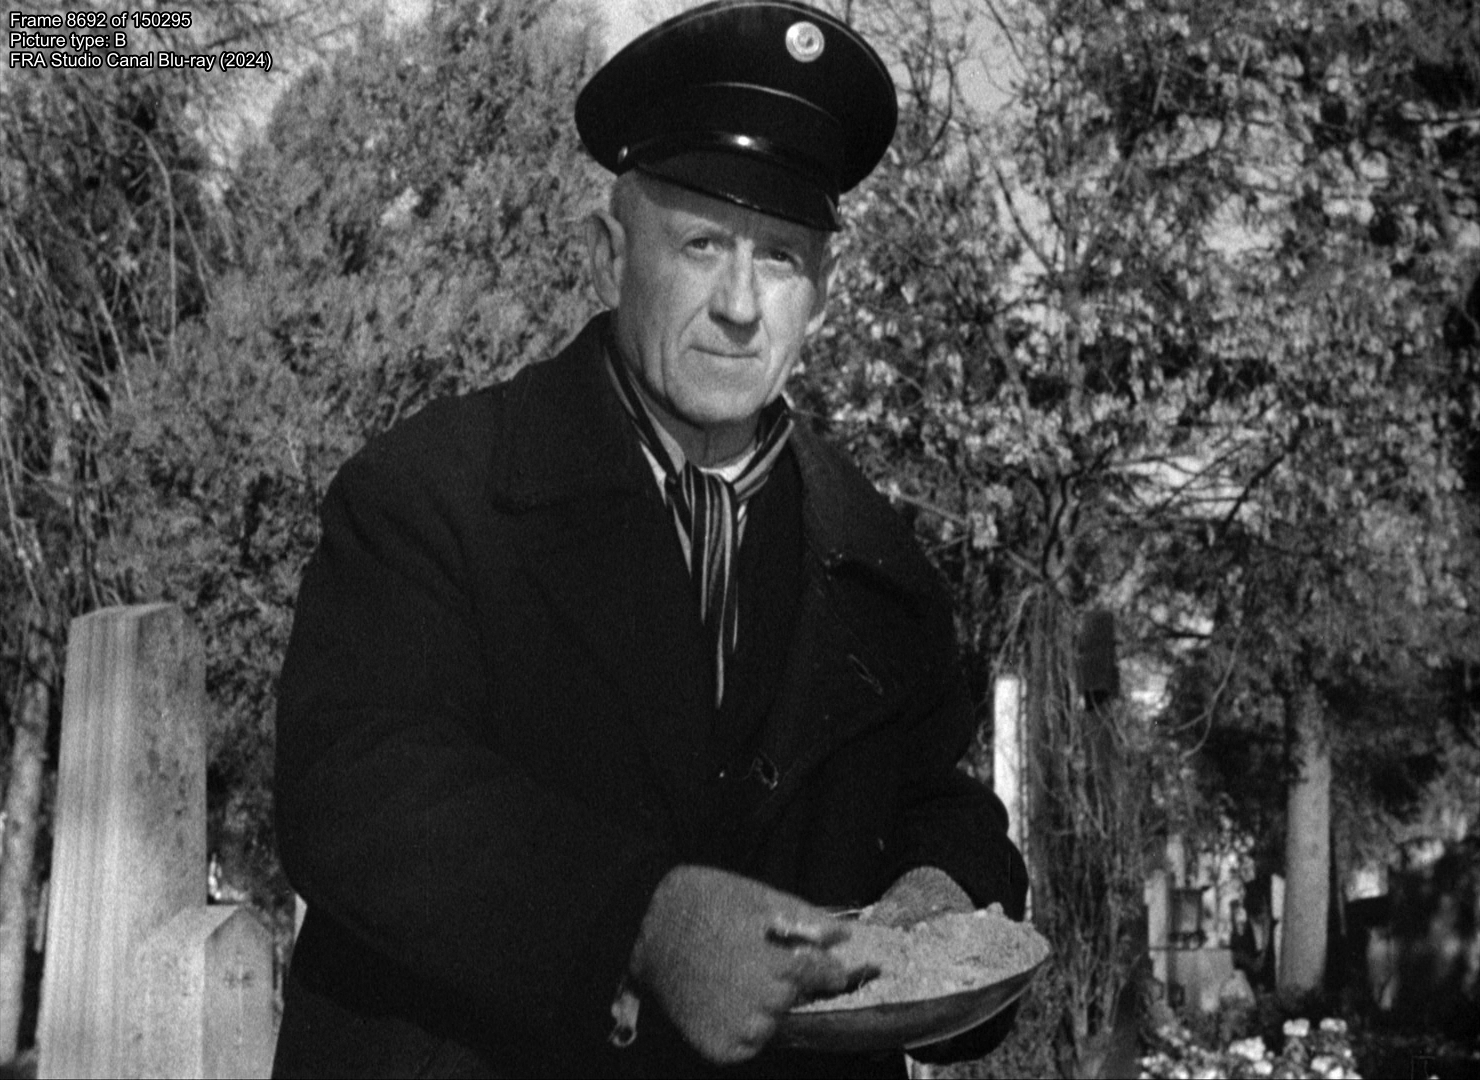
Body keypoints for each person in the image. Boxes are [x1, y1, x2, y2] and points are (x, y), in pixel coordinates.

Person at [271, 2, 1028, 1076]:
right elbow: (354, 789)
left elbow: (934, 801)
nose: (740, 306)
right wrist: (639, 919)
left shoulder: (878, 565)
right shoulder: (433, 493)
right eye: (702, 244)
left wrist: (942, 896)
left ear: (822, 294)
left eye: (780, 258)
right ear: (608, 255)